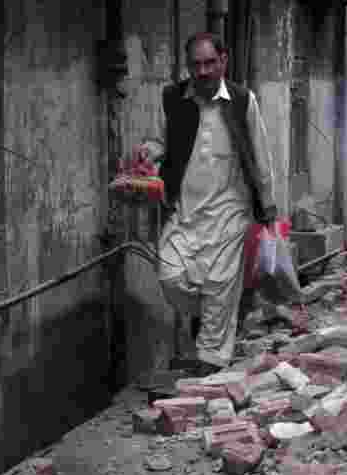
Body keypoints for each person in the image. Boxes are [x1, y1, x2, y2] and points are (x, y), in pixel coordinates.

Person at [138, 33, 277, 378]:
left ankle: (211, 366)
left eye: (209, 63)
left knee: (218, 283)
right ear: (188, 66)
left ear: (223, 61)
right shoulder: (172, 99)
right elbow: (159, 140)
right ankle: (223, 310)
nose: (203, 71)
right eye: (196, 64)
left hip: (230, 210)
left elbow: (261, 157)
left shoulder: (243, 101)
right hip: (184, 210)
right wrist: (148, 152)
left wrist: (269, 208)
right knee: (171, 276)